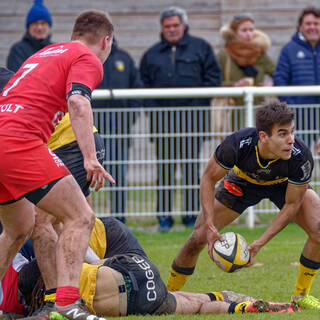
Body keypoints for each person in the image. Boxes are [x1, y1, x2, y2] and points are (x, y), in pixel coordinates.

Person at [0, 10, 115, 320]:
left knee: (18, 228)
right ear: (106, 41)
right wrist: (90, 158)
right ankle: (65, 305)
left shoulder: (44, 52)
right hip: (21, 142)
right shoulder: (87, 58)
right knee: (81, 216)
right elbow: (78, 103)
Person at [166, 102, 320, 311]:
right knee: (198, 237)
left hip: (283, 185)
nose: (290, 139)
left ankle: (301, 295)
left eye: (292, 132)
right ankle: (167, 297)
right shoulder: (238, 144)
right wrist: (210, 224)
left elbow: (292, 205)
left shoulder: (300, 157)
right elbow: (208, 178)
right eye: (282, 134)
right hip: (242, 183)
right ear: (263, 136)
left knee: (318, 229)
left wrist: (260, 242)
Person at [0, 217, 298, 318]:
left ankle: (235, 304)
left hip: (122, 283)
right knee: (188, 303)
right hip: (137, 276)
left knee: (185, 303)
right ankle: (245, 306)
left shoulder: (29, 276)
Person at [140, 6, 222, 231]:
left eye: (175, 25)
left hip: (192, 123)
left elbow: (213, 78)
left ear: (183, 26)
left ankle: (189, 216)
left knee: (190, 170)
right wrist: (156, 111)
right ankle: (164, 217)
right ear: (162, 29)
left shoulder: (201, 48)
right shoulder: (152, 54)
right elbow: (143, 85)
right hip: (162, 124)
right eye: (167, 26)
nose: (172, 30)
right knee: (164, 170)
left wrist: (193, 108)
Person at [92, 37, 143, 223]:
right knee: (86, 174)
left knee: (118, 174)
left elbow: (136, 91)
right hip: (92, 132)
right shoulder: (89, 58)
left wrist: (128, 120)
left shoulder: (125, 59)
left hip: (120, 130)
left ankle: (119, 217)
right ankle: (88, 218)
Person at [216, 12, 274, 127]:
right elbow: (214, 83)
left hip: (258, 113)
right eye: (244, 30)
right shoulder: (224, 56)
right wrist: (234, 86)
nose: (249, 34)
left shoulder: (260, 54)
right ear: (234, 33)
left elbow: (277, 73)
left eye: (251, 30)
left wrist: (272, 85)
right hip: (233, 112)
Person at [273, 6, 320, 146]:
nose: (312, 27)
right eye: (308, 24)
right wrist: (292, 108)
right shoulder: (289, 50)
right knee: (299, 163)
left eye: (316, 23)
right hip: (299, 120)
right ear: (300, 27)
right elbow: (280, 80)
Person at [7, 0, 53, 72]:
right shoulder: (18, 50)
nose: (39, 28)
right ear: (28, 27)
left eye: (43, 23)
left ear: (49, 26)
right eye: (35, 23)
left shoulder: (56, 49)